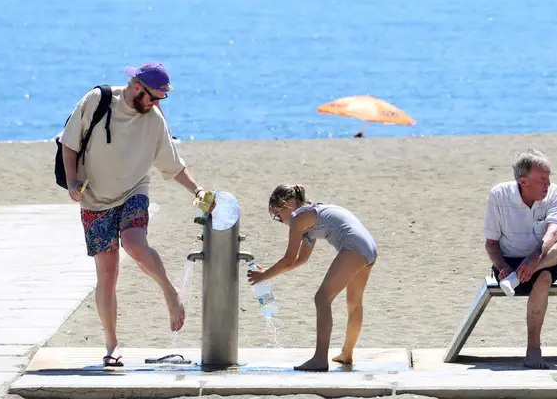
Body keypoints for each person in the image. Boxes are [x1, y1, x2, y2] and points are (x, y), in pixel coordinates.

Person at [60, 62, 211, 369]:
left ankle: (171, 293)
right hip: (94, 198)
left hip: (133, 190)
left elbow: (173, 165)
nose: (157, 105)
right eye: (154, 97)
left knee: (134, 243)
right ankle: (112, 345)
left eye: (160, 100)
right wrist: (73, 180)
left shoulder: (153, 120)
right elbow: (69, 142)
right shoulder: (97, 101)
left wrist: (197, 191)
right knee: (107, 273)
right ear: (137, 88)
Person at [248, 184, 378, 371]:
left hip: (354, 248)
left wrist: (263, 276)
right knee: (354, 303)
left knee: (322, 299)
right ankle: (346, 354)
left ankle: (319, 359)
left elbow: (288, 259)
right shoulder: (310, 218)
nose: (280, 221)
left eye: (277, 217)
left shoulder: (297, 218)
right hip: (369, 247)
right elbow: (301, 260)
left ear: (285, 205)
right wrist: (267, 272)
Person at [484, 148, 557, 369]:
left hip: (546, 255)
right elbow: (491, 245)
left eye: (549, 178)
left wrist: (534, 259)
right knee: (543, 278)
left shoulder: (554, 192)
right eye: (542, 179)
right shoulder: (499, 195)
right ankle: (533, 350)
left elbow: (552, 229)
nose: (548, 184)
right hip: (510, 263)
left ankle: (533, 350)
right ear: (523, 181)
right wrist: (503, 268)